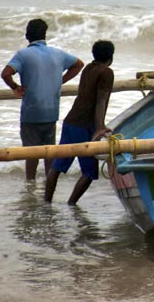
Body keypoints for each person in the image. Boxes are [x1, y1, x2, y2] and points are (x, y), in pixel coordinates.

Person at [1, 18, 84, 181]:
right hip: (51, 112)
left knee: (31, 154)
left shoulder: (23, 55)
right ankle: (49, 183)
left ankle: (30, 184)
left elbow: (5, 74)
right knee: (49, 152)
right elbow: (79, 64)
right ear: (45, 35)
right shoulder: (58, 53)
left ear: (27, 36)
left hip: (31, 112)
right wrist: (60, 80)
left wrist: (15, 87)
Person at [45, 40, 115, 205]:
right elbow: (101, 100)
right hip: (84, 126)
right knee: (90, 171)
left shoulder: (88, 68)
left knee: (57, 166)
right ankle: (71, 204)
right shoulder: (106, 72)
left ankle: (46, 203)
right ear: (111, 56)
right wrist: (100, 128)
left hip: (70, 122)